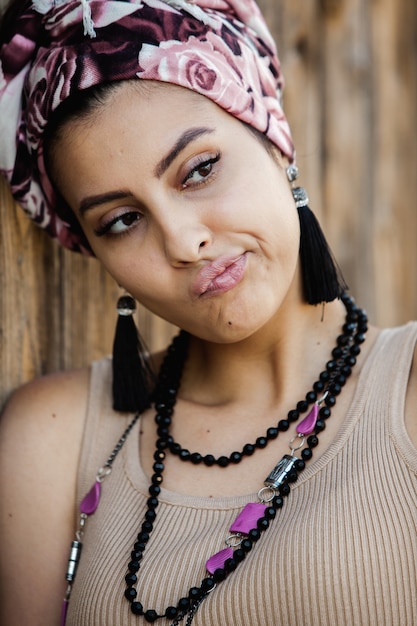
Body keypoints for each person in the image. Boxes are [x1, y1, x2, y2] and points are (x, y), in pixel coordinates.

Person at [0, 1, 416, 625]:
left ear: (275, 139)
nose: (181, 241)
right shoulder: (55, 441)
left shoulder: (405, 390)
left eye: (199, 170)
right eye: (122, 220)